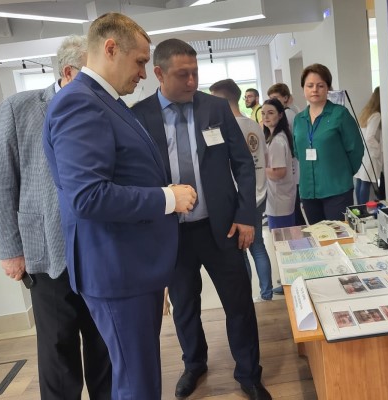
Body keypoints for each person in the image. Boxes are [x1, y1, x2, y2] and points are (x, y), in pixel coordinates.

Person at [42, 14, 197, 400]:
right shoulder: (79, 103)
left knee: (137, 376)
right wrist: (167, 198)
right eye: (140, 61)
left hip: (130, 267)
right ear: (110, 48)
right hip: (117, 270)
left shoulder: (104, 101)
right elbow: (88, 196)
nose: (144, 74)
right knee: (136, 383)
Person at [131, 38, 272, 400]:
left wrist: (246, 216)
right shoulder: (139, 116)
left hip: (221, 227)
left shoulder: (215, 108)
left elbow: (243, 164)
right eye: (183, 75)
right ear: (159, 73)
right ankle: (194, 364)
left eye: (195, 73)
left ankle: (249, 373)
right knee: (184, 305)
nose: (192, 81)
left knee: (239, 303)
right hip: (172, 233)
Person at [0, 35, 112, 400]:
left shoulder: (105, 109)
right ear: (69, 72)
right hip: (46, 253)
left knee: (103, 346)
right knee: (58, 351)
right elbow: (0, 182)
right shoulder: (19, 108)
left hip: (98, 252)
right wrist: (10, 250)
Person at [209, 78, 273, 302]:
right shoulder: (255, 125)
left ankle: (247, 297)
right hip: (260, 193)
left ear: (222, 101)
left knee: (241, 249)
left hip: (240, 198)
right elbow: (263, 158)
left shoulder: (226, 127)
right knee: (258, 246)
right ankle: (267, 293)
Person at [292, 63, 364, 224]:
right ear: (303, 88)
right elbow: (297, 151)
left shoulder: (340, 114)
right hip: (308, 191)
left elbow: (356, 149)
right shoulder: (299, 119)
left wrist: (343, 173)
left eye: (320, 85)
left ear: (327, 88)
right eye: (310, 85)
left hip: (337, 189)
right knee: (318, 235)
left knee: (340, 235)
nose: (314, 90)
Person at [267, 82, 305, 227]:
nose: (273, 101)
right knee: (294, 212)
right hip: (290, 170)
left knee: (293, 215)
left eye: (275, 98)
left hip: (290, 170)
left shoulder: (288, 115)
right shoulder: (292, 111)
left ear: (285, 98)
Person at [261, 98, 297, 229]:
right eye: (263, 113)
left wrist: (258, 169)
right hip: (280, 198)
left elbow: (279, 173)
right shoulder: (276, 137)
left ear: (280, 115)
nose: (266, 117)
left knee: (281, 238)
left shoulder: (277, 141)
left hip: (279, 200)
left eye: (270, 113)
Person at [354, 86, 385, 204]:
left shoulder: (366, 113)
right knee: (365, 183)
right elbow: (369, 137)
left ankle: (359, 208)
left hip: (362, 153)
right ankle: (363, 210)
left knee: (360, 181)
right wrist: (378, 149)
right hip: (370, 154)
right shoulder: (376, 115)